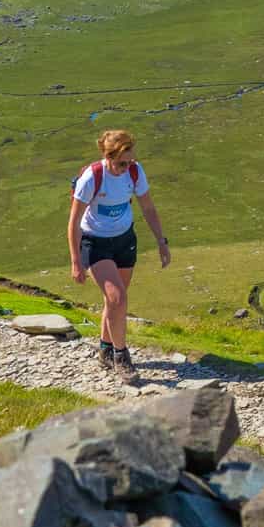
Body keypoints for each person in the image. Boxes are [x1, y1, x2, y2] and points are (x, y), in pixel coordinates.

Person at [69, 129, 170, 382]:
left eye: (130, 161)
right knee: (117, 298)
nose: (127, 167)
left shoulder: (135, 171)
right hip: (95, 242)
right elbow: (74, 222)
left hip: (125, 240)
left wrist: (161, 241)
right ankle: (121, 357)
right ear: (108, 156)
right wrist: (75, 261)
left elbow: (148, 207)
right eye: (121, 163)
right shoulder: (93, 177)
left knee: (114, 301)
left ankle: (105, 349)